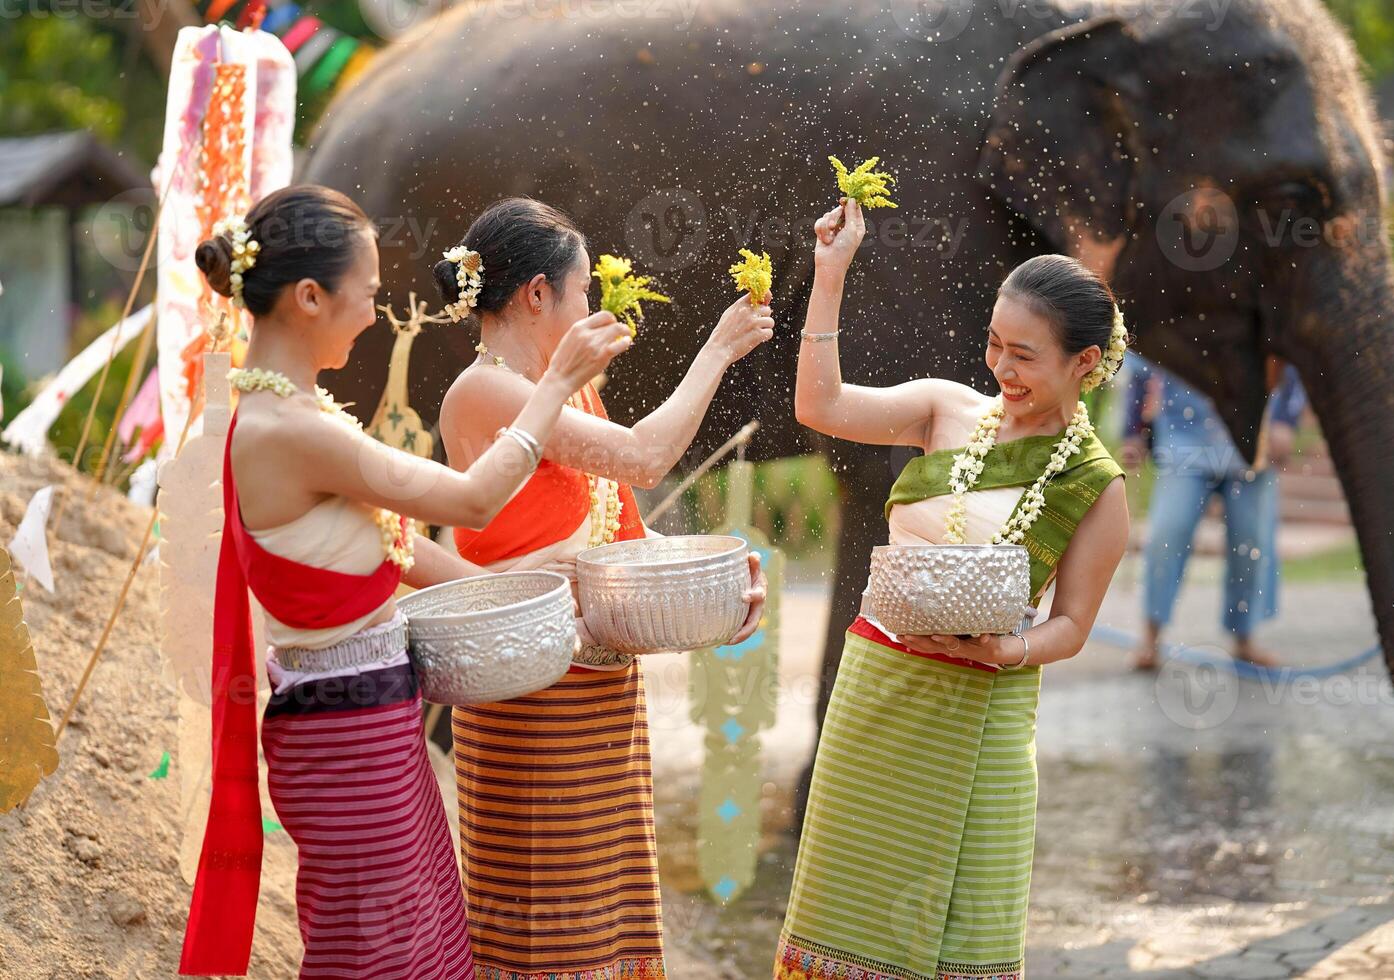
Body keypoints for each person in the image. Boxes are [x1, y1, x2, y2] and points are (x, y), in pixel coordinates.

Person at [178, 186, 632, 979]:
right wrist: (555, 385)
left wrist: (545, 592)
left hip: (372, 721)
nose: (374, 311)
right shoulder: (292, 431)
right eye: (369, 293)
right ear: (311, 297)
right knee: (375, 955)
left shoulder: (297, 417)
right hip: (345, 737)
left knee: (422, 945)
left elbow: (407, 557)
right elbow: (469, 499)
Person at [774, 199, 1130, 980]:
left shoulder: (1096, 487)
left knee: (965, 933)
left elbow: (1071, 624)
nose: (1001, 369)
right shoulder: (945, 408)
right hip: (879, 691)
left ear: (1086, 363)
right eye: (995, 345)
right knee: (845, 919)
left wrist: (1006, 648)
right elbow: (820, 406)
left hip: (986, 713)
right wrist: (830, 275)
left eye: (1025, 356)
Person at [434, 197, 772, 978]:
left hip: (600, 680)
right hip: (528, 679)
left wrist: (717, 577)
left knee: (605, 902)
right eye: (583, 289)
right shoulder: (485, 391)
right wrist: (716, 351)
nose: (592, 306)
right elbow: (647, 460)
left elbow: (621, 532)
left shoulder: (569, 391)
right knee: (545, 906)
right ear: (538, 295)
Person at [1119, 354, 1307, 669]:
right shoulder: (1172, 304)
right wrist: (1132, 429)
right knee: (1167, 533)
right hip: (1183, 440)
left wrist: (1285, 419)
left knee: (1250, 542)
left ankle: (1244, 637)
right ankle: (1150, 637)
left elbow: (1289, 355)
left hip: (1252, 437)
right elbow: (1142, 366)